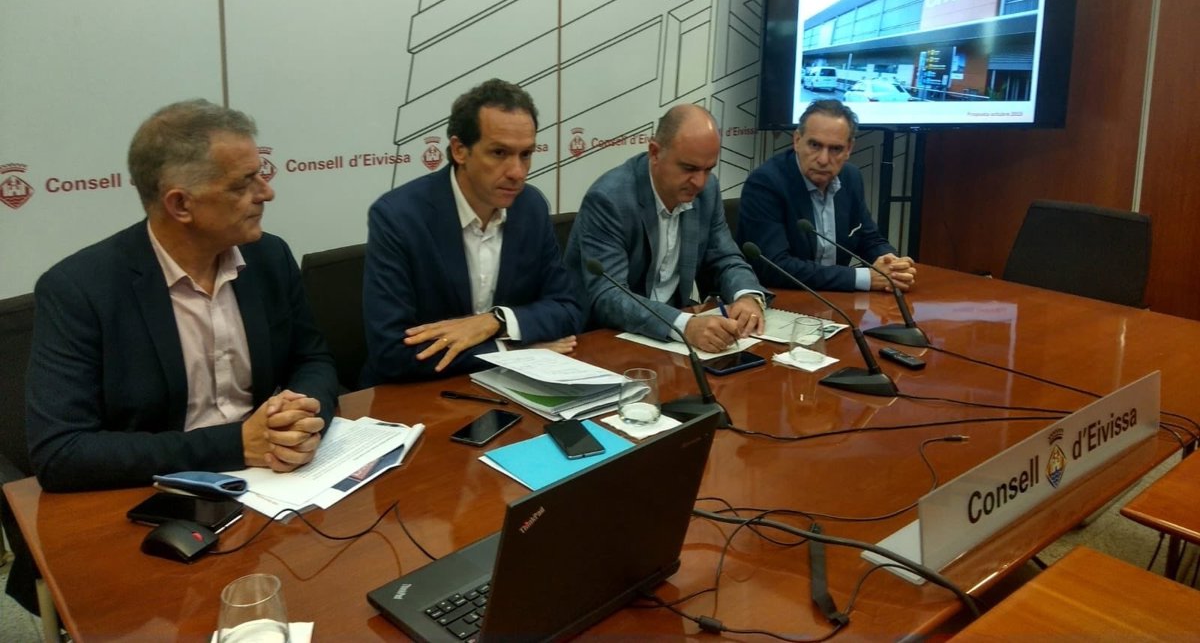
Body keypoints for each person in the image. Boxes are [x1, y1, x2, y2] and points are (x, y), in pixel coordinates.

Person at [25, 100, 340, 494]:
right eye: (243, 183)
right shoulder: (80, 289)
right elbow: (61, 453)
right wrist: (237, 444)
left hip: (277, 481)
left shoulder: (268, 257)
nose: (267, 192)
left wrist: (301, 419)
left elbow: (312, 359)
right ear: (180, 204)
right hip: (154, 493)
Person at [361, 79, 581, 383]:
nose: (517, 172)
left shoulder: (530, 207)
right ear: (460, 150)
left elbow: (567, 310)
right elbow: (391, 351)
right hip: (418, 393)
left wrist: (496, 321)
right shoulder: (399, 217)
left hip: (509, 388)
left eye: (526, 154)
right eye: (499, 153)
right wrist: (512, 350)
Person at [565, 104, 768, 352]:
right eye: (689, 168)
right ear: (654, 153)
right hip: (607, 339)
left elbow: (725, 257)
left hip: (673, 340)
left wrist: (746, 296)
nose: (700, 182)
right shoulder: (610, 199)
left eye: (708, 169)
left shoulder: (707, 191)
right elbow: (609, 296)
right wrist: (684, 325)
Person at [736, 99, 916, 292]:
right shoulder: (766, 183)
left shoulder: (851, 177)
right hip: (784, 296)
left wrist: (892, 265)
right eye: (815, 145)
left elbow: (869, 238)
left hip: (837, 298)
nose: (823, 160)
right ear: (797, 140)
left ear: (849, 149)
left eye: (835, 149)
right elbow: (775, 266)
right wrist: (863, 278)